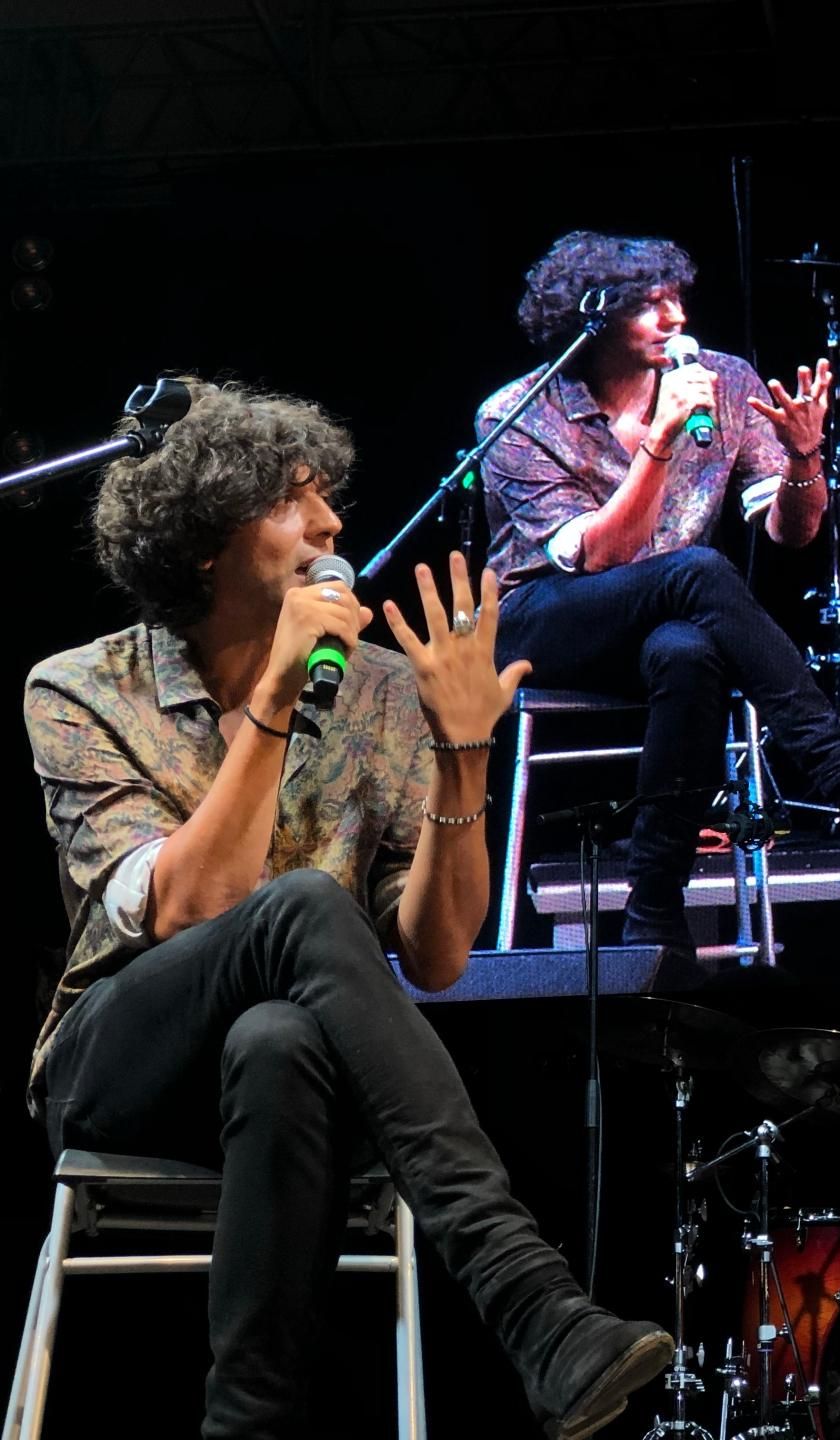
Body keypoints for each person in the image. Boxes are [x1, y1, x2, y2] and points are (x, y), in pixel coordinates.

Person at [25, 379, 671, 1439]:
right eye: (291, 500)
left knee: (279, 1038)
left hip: (300, 1080)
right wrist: (278, 701)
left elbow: (438, 955)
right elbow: (189, 908)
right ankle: (524, 1291)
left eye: (327, 496)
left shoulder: (382, 691)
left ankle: (248, 1424)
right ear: (203, 542)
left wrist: (464, 754)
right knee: (302, 905)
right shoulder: (82, 690)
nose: (330, 524)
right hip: (125, 1065)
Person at [479, 230, 840, 956]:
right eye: (649, 304)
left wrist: (804, 455)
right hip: (544, 621)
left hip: (668, 616)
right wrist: (661, 440)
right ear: (591, 317)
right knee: (696, 571)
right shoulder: (519, 414)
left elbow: (791, 531)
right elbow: (601, 556)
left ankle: (654, 909)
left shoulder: (724, 382)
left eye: (676, 298)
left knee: (689, 651)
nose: (675, 318)